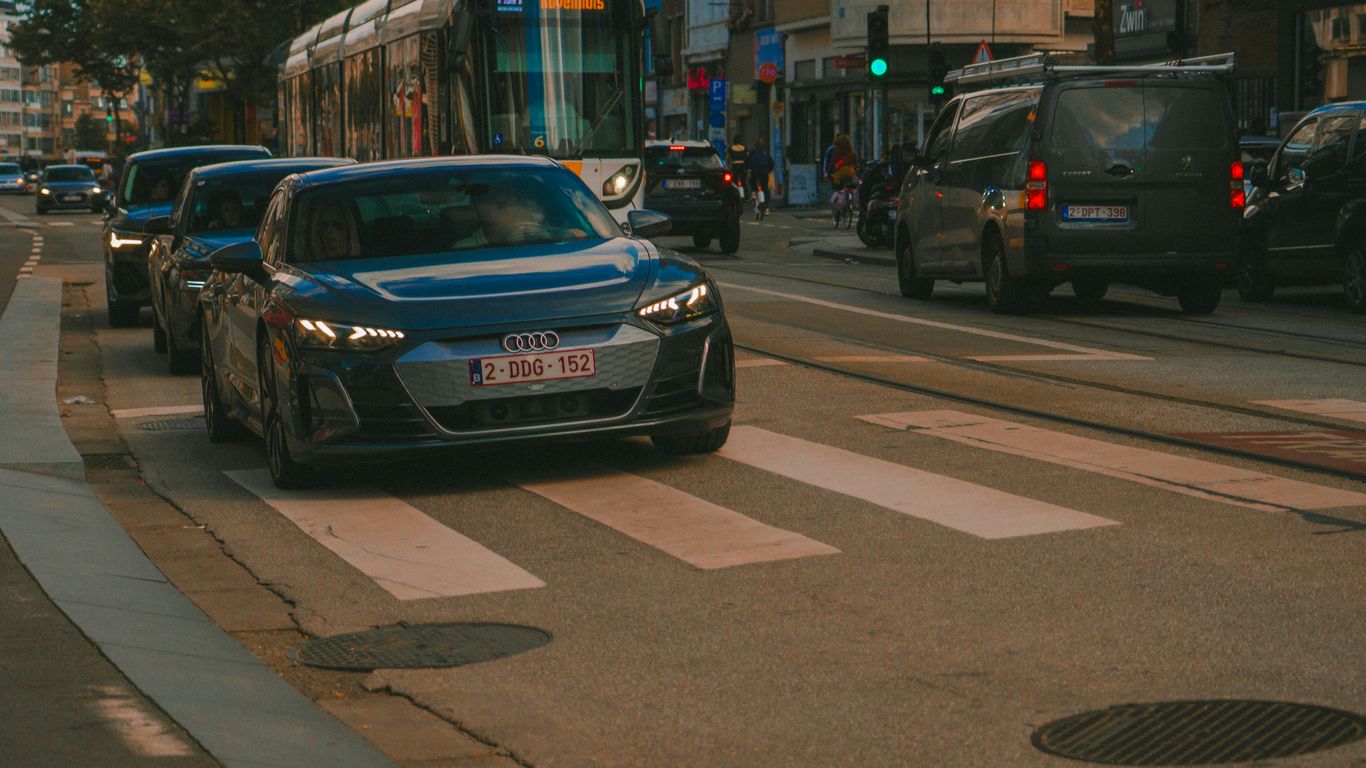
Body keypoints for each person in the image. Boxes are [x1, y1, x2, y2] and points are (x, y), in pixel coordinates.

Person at [745, 139, 775, 219]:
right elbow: (771, 163)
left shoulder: (752, 153)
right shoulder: (765, 153)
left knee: (752, 184)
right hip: (764, 174)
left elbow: (747, 162)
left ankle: (754, 194)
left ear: (755, 146)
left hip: (754, 174)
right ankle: (766, 207)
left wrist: (748, 169)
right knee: (765, 189)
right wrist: (768, 170)